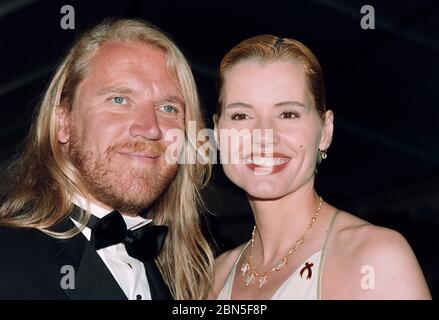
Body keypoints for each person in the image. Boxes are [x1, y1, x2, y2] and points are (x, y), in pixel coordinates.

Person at [0, 18, 213, 300]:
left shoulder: (184, 282)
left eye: (168, 107)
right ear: (63, 122)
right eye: (119, 100)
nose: (151, 128)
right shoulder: (8, 260)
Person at [210, 35, 431, 299]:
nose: (264, 135)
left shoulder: (375, 258)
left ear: (325, 130)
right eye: (241, 115)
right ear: (218, 131)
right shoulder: (216, 276)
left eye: (287, 114)